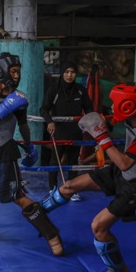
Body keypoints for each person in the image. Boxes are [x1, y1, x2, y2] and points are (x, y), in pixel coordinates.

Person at [42, 83, 136, 272]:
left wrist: (102, 137)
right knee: (69, 186)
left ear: (127, 106)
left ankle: (119, 271)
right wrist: (99, 126)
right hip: (122, 173)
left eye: (114, 103)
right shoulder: (133, 120)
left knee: (98, 227)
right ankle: (39, 213)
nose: (111, 107)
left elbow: (125, 163)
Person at [0, 53, 63, 256]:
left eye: (18, 72)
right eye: (13, 71)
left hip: (6, 150)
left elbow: (23, 125)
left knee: (17, 195)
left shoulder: (19, 98)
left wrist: (29, 146)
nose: (16, 76)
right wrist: (4, 108)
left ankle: (51, 234)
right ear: (1, 71)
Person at [39, 61, 94, 201]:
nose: (70, 75)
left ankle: (73, 189)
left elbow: (89, 108)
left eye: (72, 72)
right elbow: (43, 109)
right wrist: (50, 121)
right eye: (67, 72)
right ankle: (52, 188)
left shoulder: (80, 90)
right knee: (55, 161)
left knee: (73, 161)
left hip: (76, 131)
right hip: (59, 131)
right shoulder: (54, 90)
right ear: (62, 73)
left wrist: (88, 122)